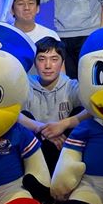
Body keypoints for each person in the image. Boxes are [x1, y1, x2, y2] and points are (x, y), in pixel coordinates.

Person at [19, 37, 90, 172]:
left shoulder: (71, 85)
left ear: (62, 62)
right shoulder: (25, 85)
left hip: (65, 149)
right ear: (35, 63)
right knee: (24, 115)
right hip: (36, 152)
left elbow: (93, 110)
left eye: (54, 59)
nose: (47, 65)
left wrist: (63, 125)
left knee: (80, 110)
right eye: (41, 59)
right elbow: (11, 114)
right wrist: (42, 129)